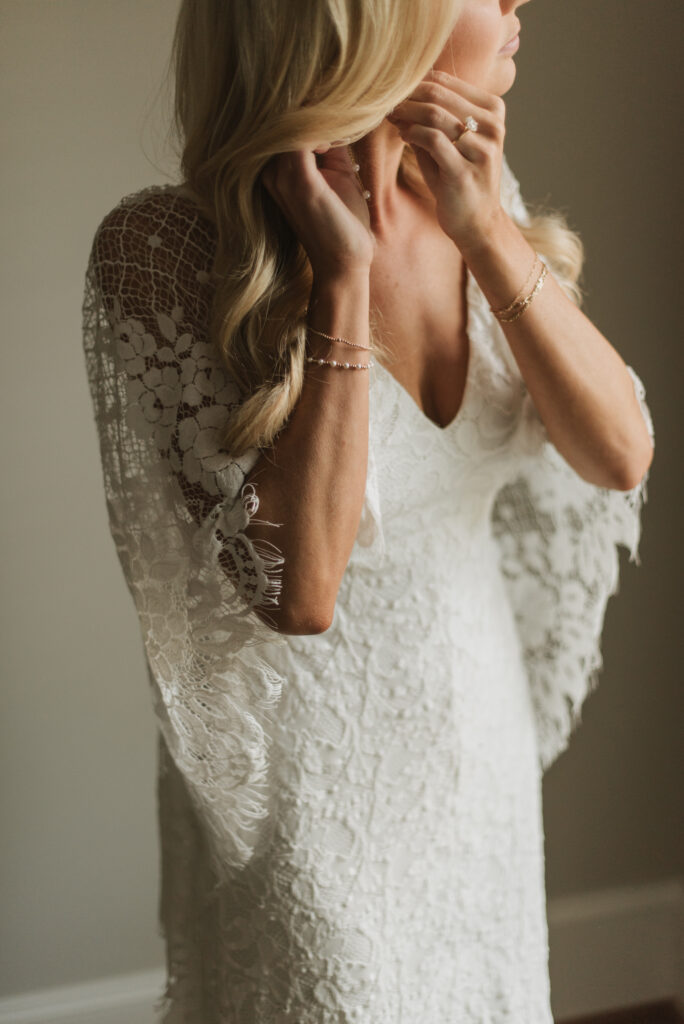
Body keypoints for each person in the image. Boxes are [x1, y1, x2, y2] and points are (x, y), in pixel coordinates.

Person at [82, 0, 654, 1020]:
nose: (520, 1)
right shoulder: (160, 251)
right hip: (310, 790)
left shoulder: (474, 196)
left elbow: (619, 452)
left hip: (478, 745)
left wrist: (482, 226)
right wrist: (340, 282)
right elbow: (302, 593)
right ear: (373, 23)